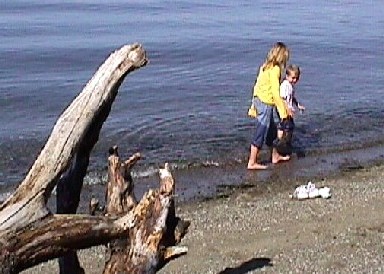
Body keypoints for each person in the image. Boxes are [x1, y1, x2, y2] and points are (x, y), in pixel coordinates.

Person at [247, 42, 291, 170]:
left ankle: (275, 156)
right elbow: (276, 93)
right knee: (261, 131)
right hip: (266, 103)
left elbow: (257, 85)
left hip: (259, 99)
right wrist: (283, 113)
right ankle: (252, 161)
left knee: (272, 131)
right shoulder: (275, 70)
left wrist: (253, 104)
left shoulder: (265, 66)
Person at [275, 64, 305, 156]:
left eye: (296, 78)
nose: (295, 80)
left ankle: (286, 143)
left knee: (289, 127)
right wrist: (288, 109)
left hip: (288, 110)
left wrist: (297, 105)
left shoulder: (291, 85)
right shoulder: (285, 85)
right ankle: (280, 143)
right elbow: (283, 99)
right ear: (287, 76)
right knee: (285, 126)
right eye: (293, 78)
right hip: (283, 110)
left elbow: (292, 97)